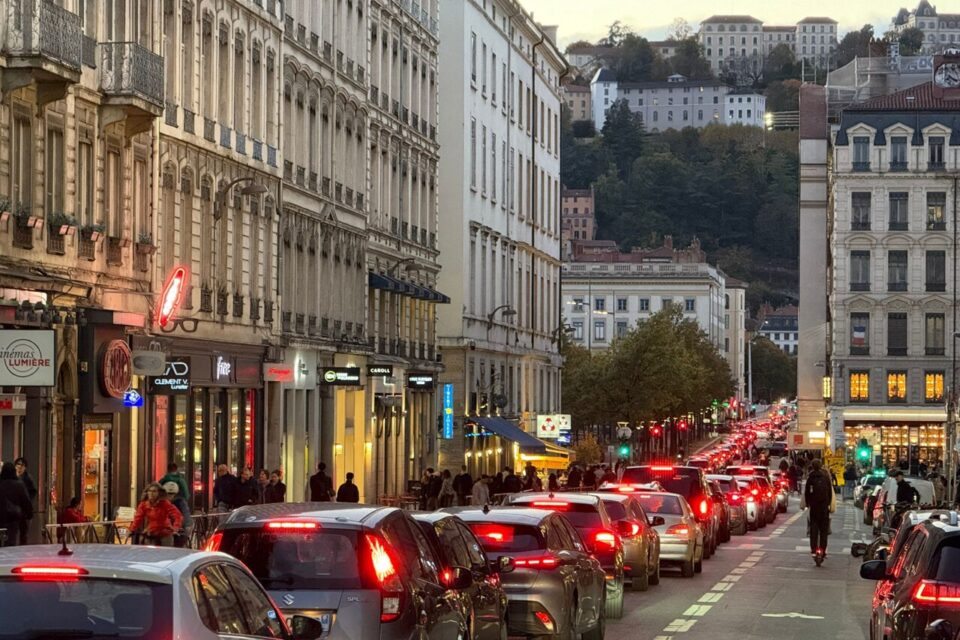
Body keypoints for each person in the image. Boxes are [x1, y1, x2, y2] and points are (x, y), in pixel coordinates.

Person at [130, 482, 182, 547]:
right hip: (151, 532)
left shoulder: (165, 503)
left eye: (154, 491)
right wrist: (132, 529)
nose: (151, 494)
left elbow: (177, 515)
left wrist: (176, 528)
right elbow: (138, 518)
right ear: (147, 492)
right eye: (150, 491)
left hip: (164, 532)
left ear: (159, 493)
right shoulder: (143, 504)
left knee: (166, 552)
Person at [803, 459, 834, 559]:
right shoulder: (825, 477)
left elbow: (807, 492)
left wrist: (808, 504)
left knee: (813, 530)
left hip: (814, 507)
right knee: (824, 531)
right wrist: (828, 504)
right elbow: (830, 492)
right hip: (824, 508)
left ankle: (813, 549)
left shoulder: (811, 477)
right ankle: (823, 550)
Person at [13, 458, 36, 544]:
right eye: (17, 465)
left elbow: (33, 493)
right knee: (12, 533)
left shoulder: (28, 479)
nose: (19, 467)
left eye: (22, 465)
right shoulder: (11, 478)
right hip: (14, 510)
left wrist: (26, 502)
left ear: (25, 467)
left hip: (24, 511)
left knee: (23, 533)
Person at [162, 481, 192, 547]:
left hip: (178, 529)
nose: (170, 496)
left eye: (172, 494)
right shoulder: (161, 501)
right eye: (168, 494)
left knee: (178, 544)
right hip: (164, 529)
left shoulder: (180, 502)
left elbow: (185, 513)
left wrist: (187, 526)